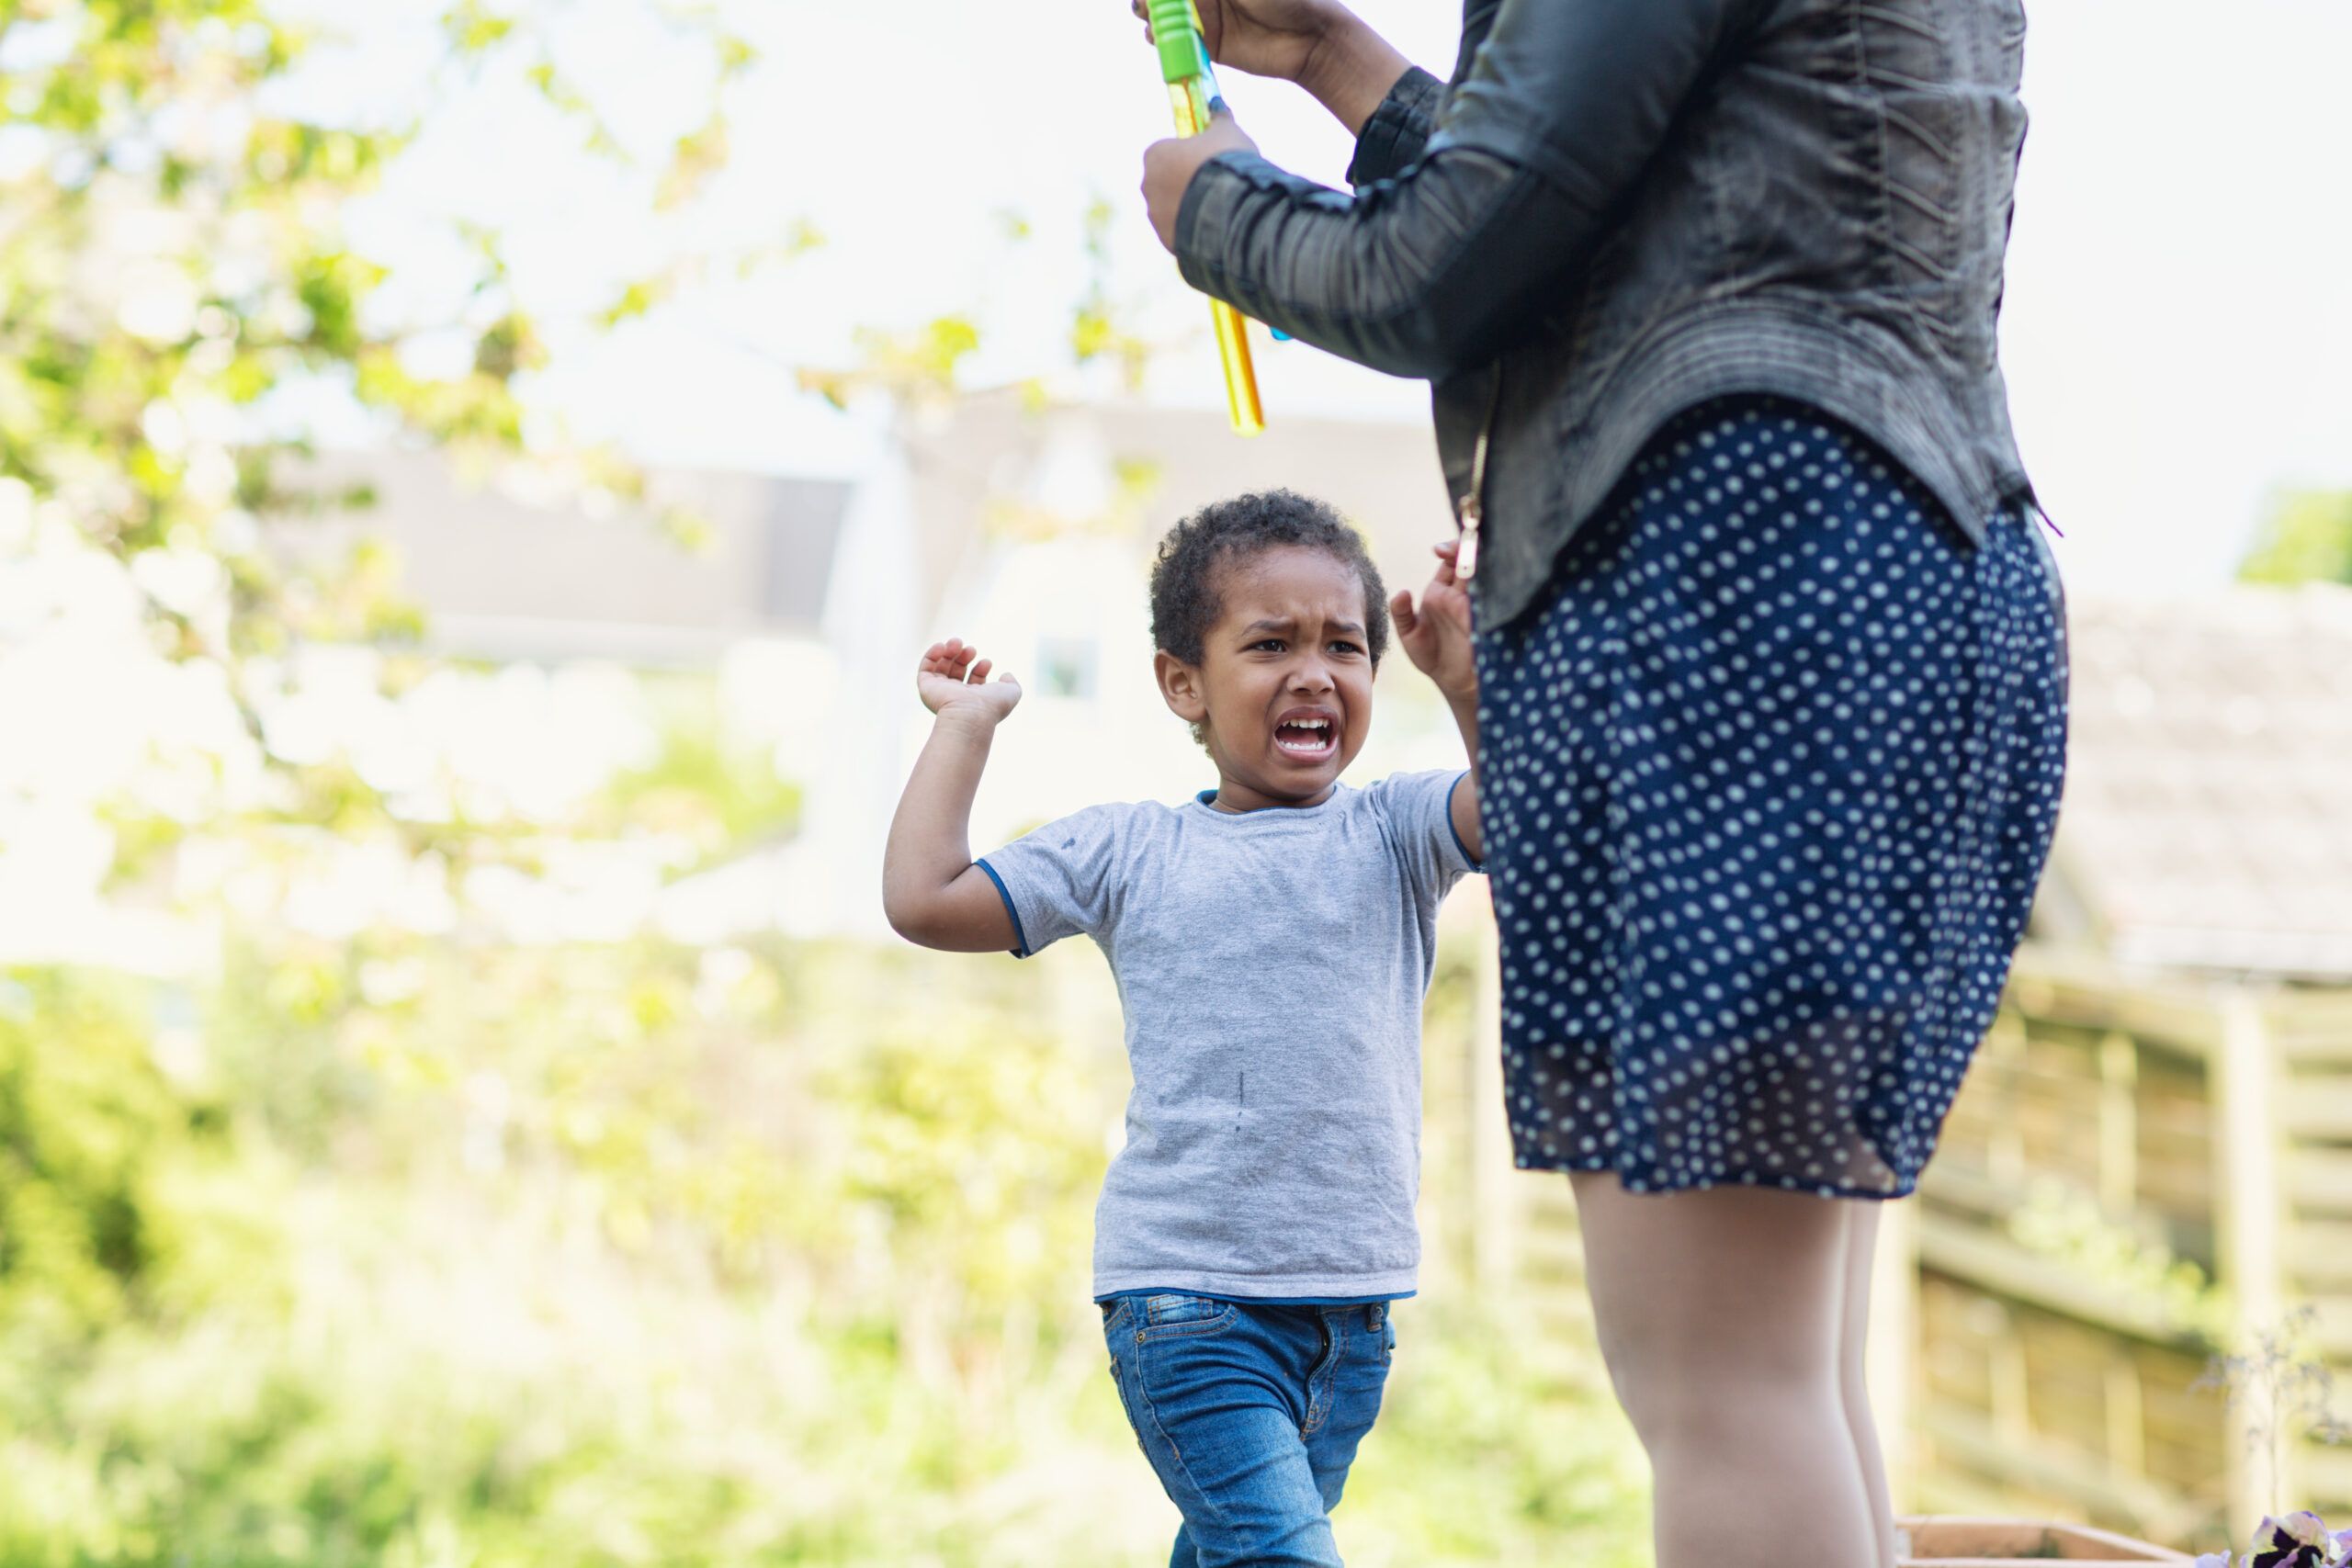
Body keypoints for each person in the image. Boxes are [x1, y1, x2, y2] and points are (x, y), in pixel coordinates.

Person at [1130, 4, 2068, 1566]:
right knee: (1791, 1364)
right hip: (1909, 580)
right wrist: (1342, 68)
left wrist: (1214, 204)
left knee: (1722, 1385)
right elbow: (1637, 215)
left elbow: (1443, 267)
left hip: (1734, 596)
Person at [882, 490, 1486, 1568]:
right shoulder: (1129, 852)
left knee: (1229, 1553)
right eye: (1269, 644)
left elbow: (1532, 811)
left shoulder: (1395, 831)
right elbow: (926, 900)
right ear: (1183, 684)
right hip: (1190, 1306)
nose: (1313, 672)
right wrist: (965, 728)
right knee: (1281, 1557)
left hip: (1351, 1313)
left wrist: (1469, 684)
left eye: (1342, 646)